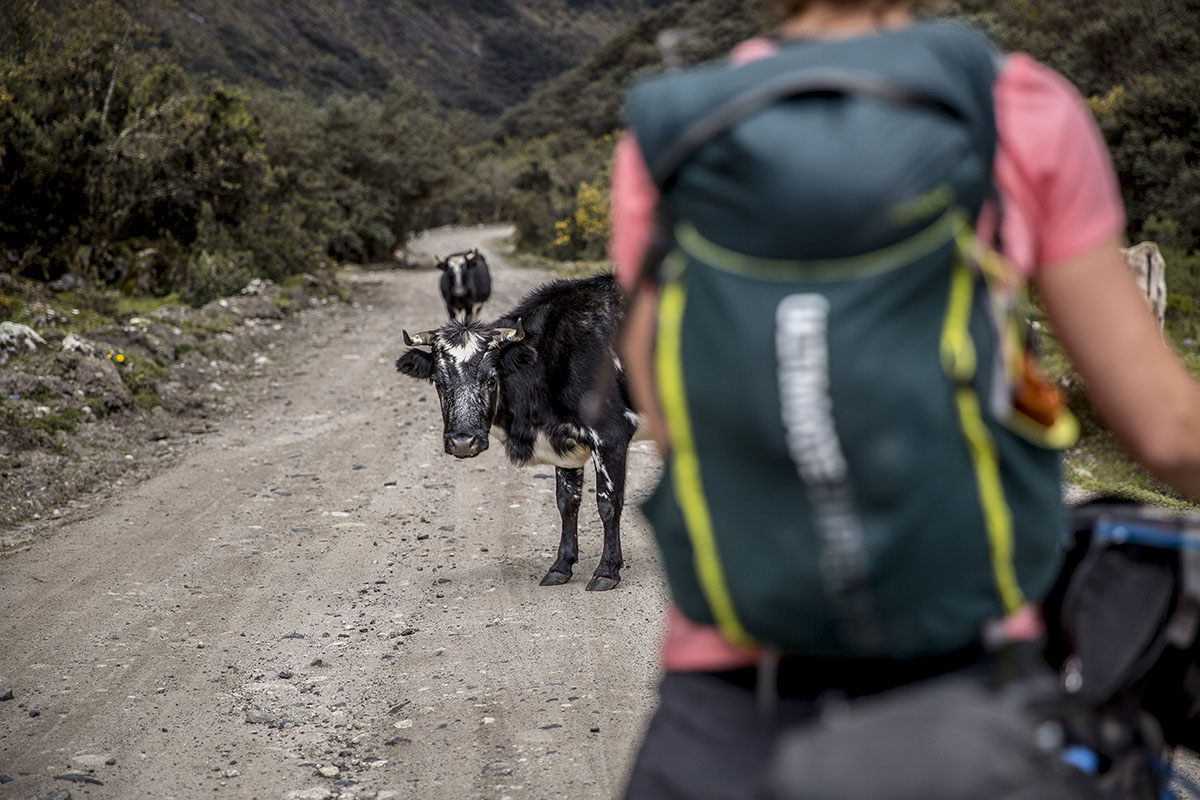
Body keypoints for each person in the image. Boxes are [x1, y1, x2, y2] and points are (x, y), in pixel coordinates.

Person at [609, 0, 1200, 797]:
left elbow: (677, 422)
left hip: (727, 711)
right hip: (967, 704)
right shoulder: (1014, 109)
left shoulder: (671, 139)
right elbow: (1169, 433)